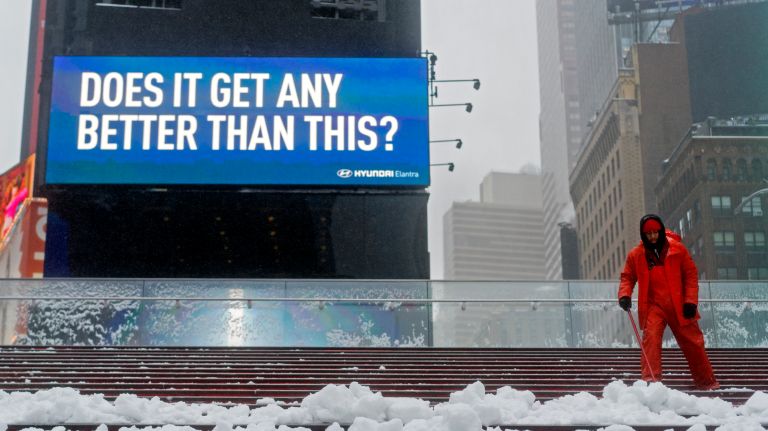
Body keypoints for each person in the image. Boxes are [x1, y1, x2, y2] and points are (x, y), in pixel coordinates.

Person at [618, 214, 719, 390]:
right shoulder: (636, 255)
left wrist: (690, 302)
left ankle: (707, 382)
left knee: (693, 343)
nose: (652, 237)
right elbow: (627, 276)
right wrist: (624, 294)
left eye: (655, 232)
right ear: (643, 235)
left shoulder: (678, 250)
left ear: (661, 231)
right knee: (651, 339)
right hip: (653, 306)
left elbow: (690, 276)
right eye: (648, 234)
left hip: (680, 304)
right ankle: (651, 381)